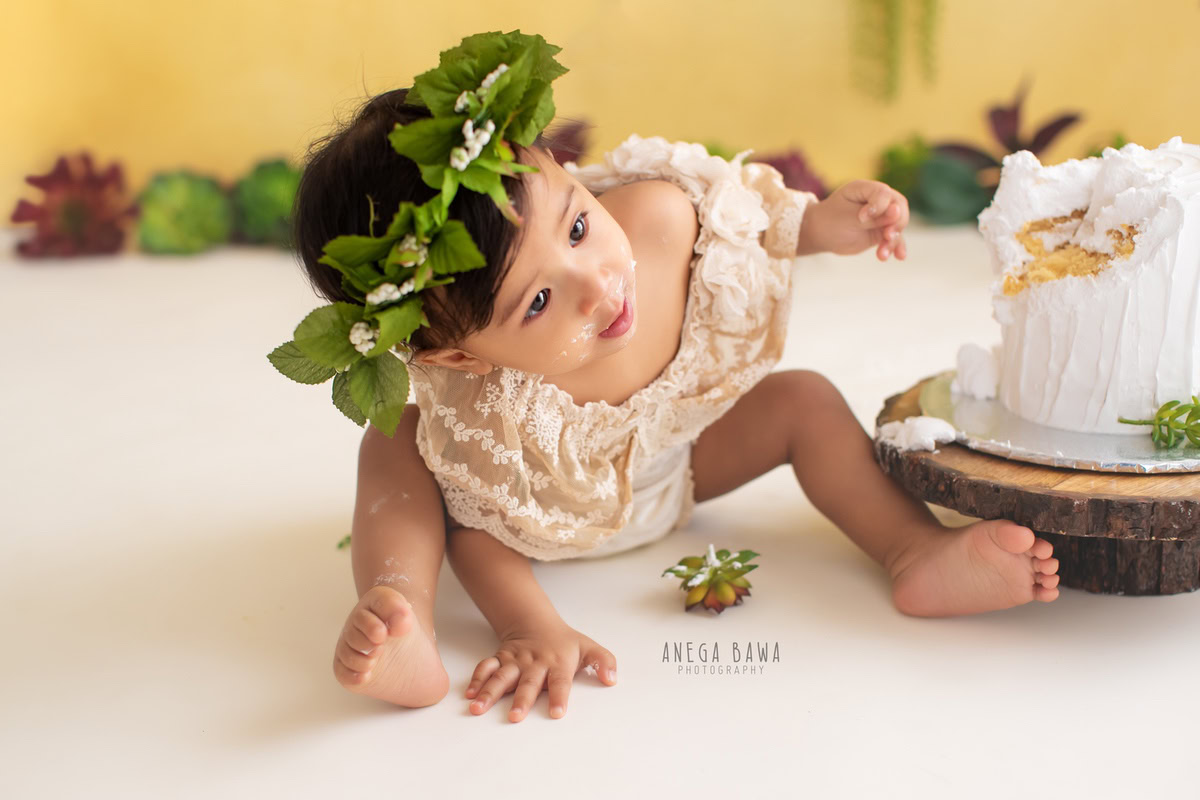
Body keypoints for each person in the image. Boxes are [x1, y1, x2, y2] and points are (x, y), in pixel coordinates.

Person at [277, 31, 1061, 725]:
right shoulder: (484, 418)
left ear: (563, 167)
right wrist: (528, 628)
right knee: (395, 440)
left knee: (806, 401)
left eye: (578, 225)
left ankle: (912, 552)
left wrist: (822, 224)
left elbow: (747, 221)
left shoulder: (662, 217)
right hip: (536, 525)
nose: (597, 286)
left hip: (678, 469)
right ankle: (401, 614)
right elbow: (480, 534)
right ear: (459, 356)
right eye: (540, 302)